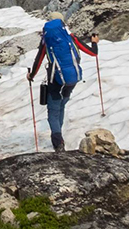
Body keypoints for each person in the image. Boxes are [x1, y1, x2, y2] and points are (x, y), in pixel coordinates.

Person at [26, 16, 99, 152]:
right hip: (72, 79)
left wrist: (31, 76)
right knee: (61, 105)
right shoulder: (70, 37)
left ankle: (58, 142)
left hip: (55, 81)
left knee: (53, 111)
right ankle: (59, 136)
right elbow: (93, 53)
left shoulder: (47, 41)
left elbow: (38, 61)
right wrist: (94, 42)